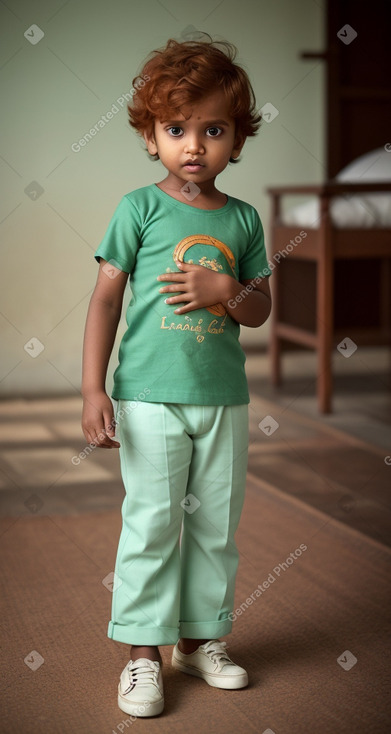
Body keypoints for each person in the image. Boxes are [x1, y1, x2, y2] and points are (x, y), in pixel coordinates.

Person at [81, 34, 272, 719]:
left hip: (221, 399)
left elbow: (258, 309)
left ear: (236, 137)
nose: (194, 145)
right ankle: (142, 655)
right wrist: (92, 389)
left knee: (215, 526)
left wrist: (226, 287)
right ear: (150, 135)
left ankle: (200, 640)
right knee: (154, 523)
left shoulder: (244, 219)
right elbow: (105, 299)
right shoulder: (138, 209)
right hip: (147, 397)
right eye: (175, 129)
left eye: (213, 129)